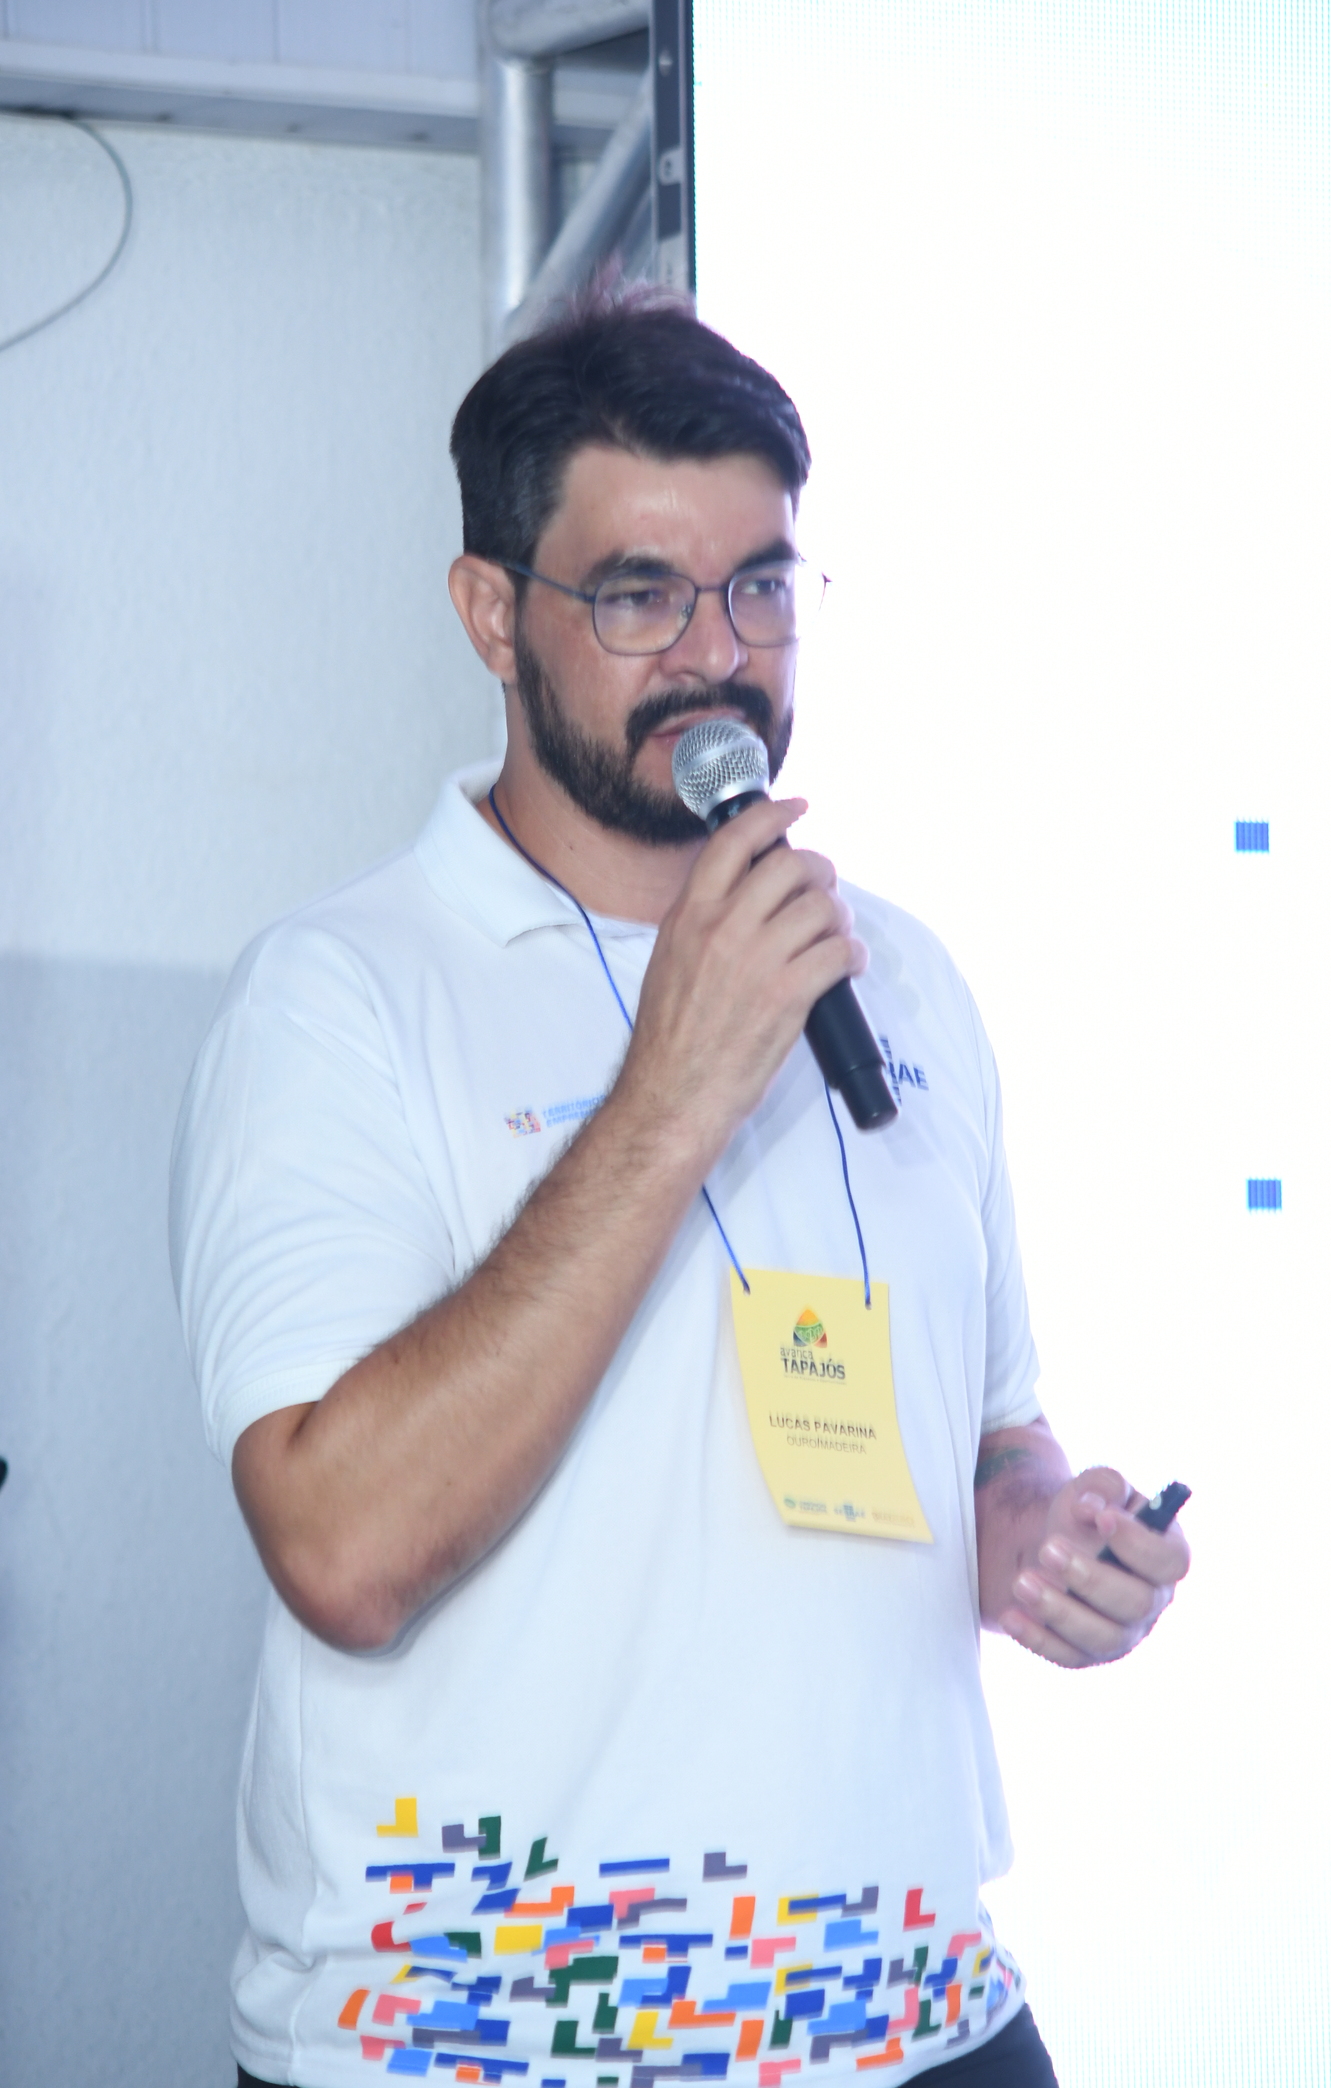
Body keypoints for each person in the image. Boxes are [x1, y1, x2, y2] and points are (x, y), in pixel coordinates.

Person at [171, 284, 1189, 2088]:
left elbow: (985, 1440)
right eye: (641, 595)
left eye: (764, 586)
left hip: (914, 2012)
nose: (721, 656)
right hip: (490, 2040)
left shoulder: (902, 976)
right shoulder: (339, 997)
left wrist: (1041, 1536)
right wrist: (673, 1090)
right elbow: (342, 1552)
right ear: (493, 613)